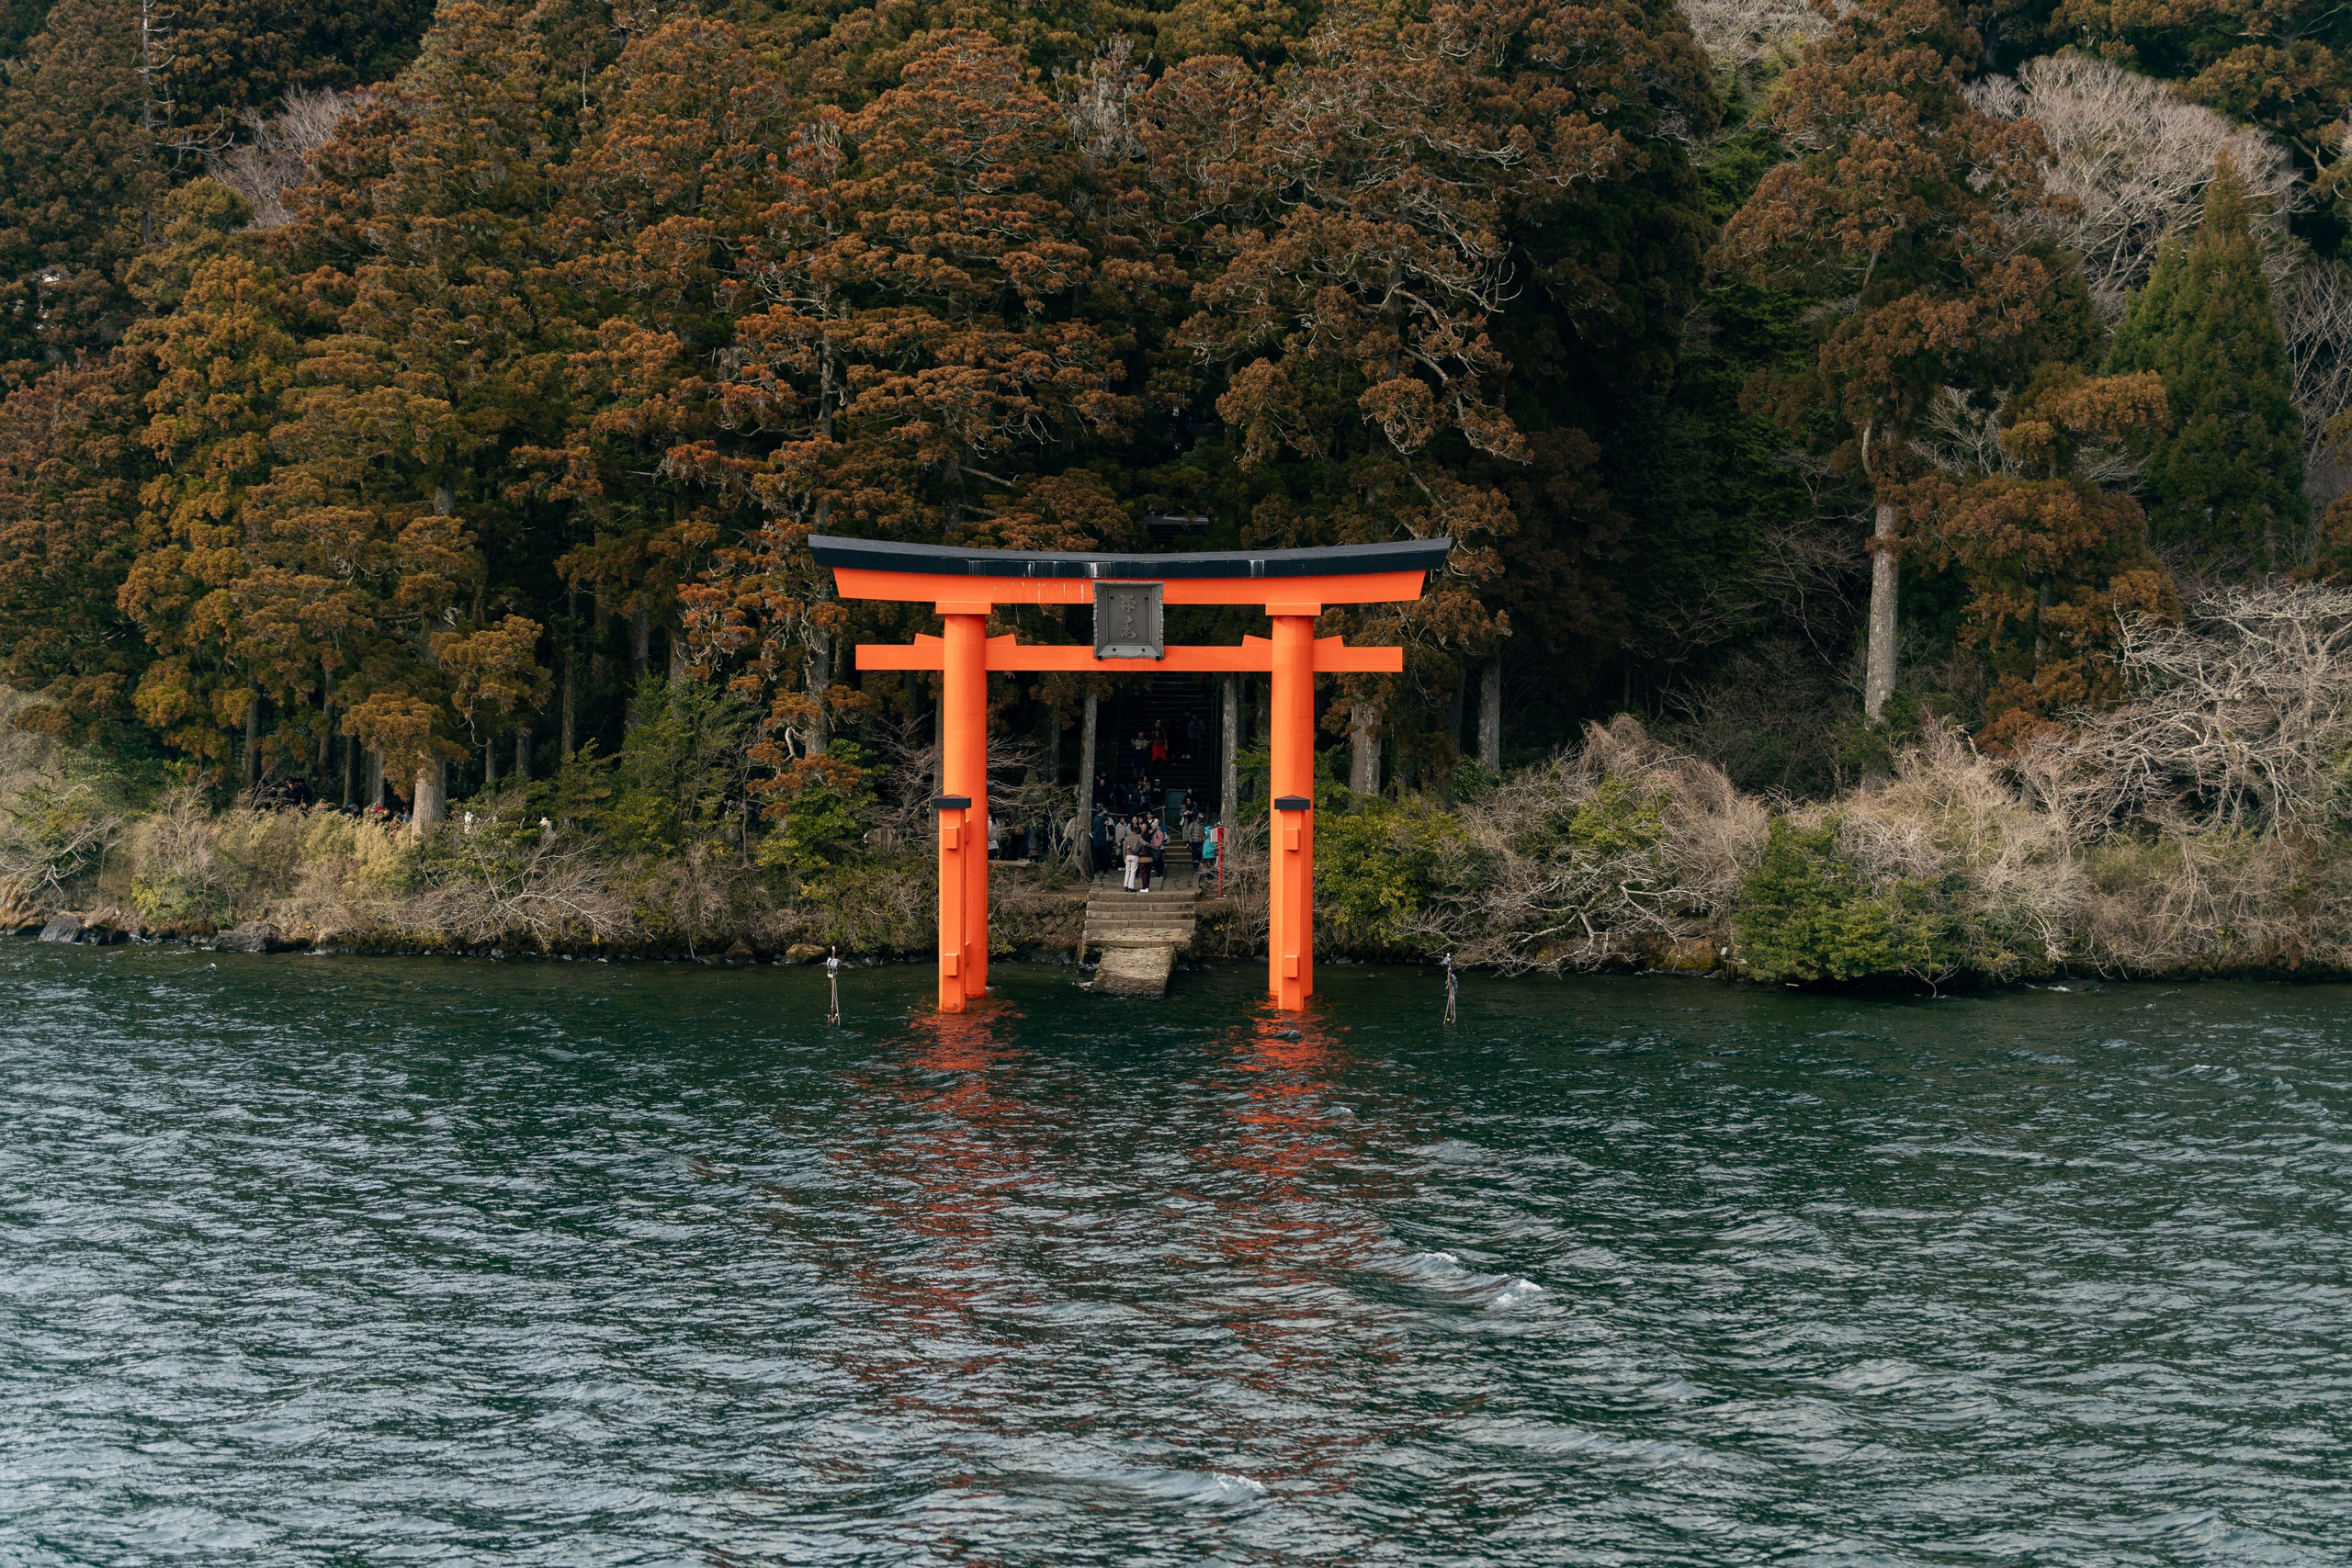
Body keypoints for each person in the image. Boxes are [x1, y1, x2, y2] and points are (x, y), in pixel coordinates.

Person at [1122, 821, 1143, 891]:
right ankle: (1131, 886)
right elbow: (1144, 843)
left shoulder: (1126, 838)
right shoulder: (1138, 837)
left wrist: (1124, 857)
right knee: (1133, 871)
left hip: (1127, 856)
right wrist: (1151, 845)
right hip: (1134, 855)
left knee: (1127, 870)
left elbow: (1124, 848)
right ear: (1136, 831)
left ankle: (1125, 885)